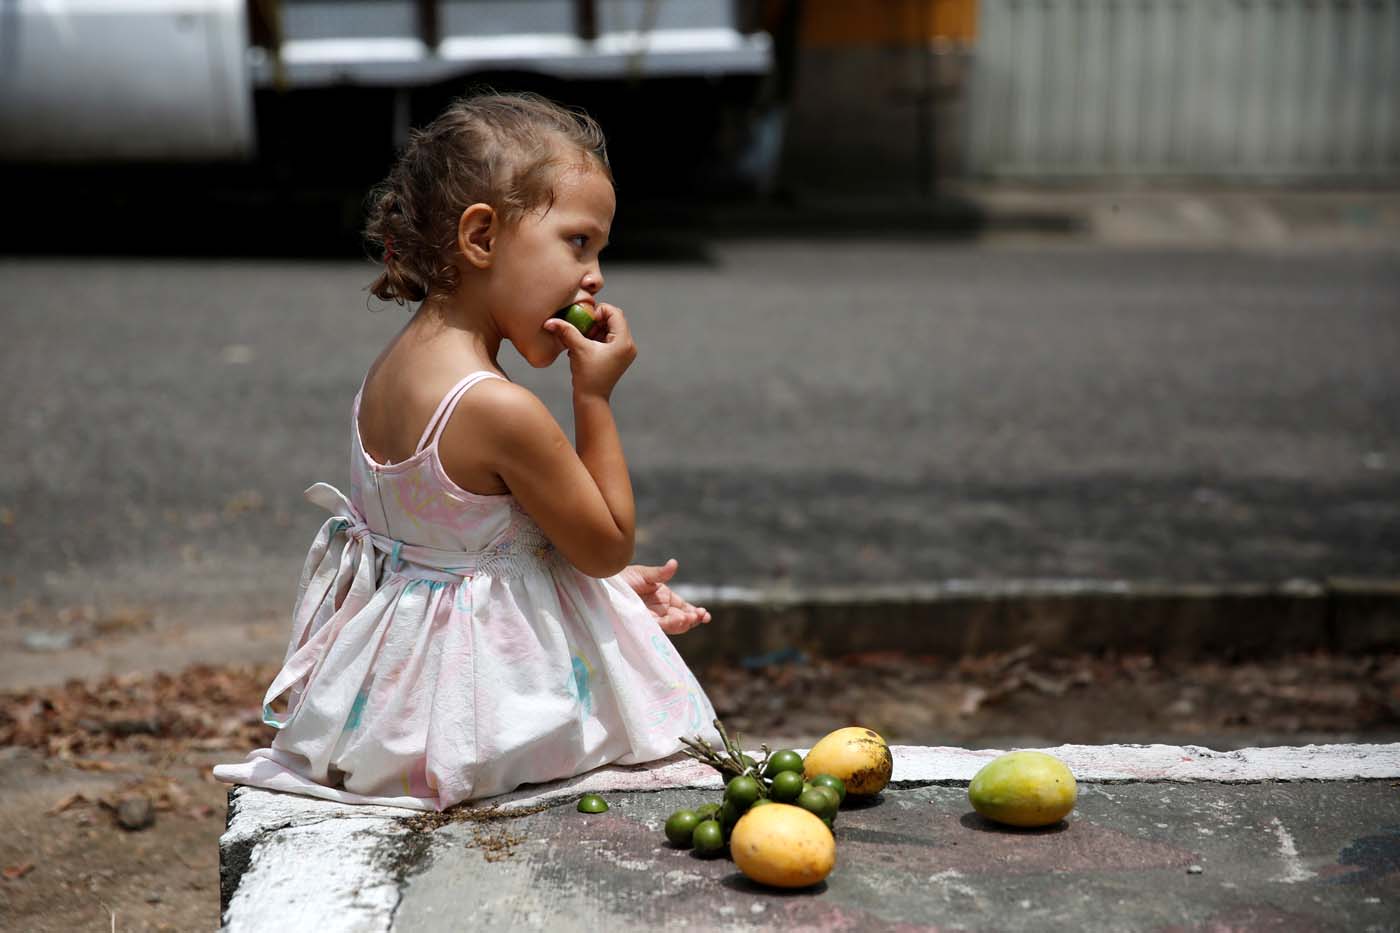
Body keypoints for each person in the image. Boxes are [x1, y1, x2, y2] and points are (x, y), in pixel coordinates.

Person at [214, 92, 720, 811]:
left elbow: (458, 545)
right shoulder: (499, 406)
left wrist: (597, 595)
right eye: (578, 242)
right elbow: (603, 544)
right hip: (482, 717)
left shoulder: (390, 371)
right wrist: (593, 397)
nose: (596, 276)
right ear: (481, 237)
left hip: (392, 707)